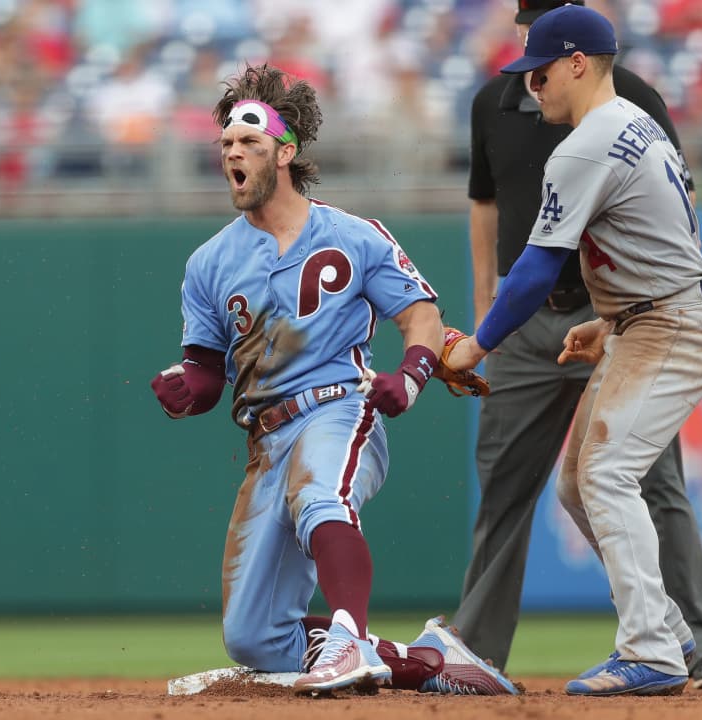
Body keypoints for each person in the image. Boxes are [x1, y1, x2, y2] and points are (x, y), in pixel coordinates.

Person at [149, 63, 518, 698]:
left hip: (337, 407)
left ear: (285, 152)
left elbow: (421, 315)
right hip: (266, 440)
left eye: (250, 142)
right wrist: (187, 390)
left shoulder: (352, 235)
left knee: (322, 498)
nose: (233, 153)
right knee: (255, 637)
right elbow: (207, 371)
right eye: (227, 143)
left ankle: (347, 639)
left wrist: (413, 374)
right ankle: (429, 661)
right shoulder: (209, 262)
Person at [444, 5, 702, 697]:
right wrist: (611, 321)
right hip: (649, 318)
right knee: (579, 484)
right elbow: (667, 237)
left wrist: (477, 345)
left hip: (670, 326)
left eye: (541, 72)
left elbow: (534, 271)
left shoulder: (585, 145)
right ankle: (668, 628)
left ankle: (650, 650)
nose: (532, 85)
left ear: (577, 63)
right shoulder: (636, 123)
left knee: (607, 476)